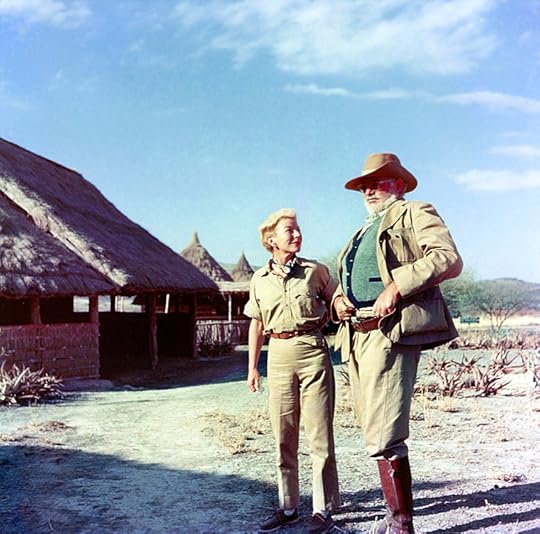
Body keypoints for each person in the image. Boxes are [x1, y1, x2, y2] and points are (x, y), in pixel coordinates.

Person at [332, 153, 462, 534]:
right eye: (364, 186)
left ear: (400, 184)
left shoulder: (414, 211)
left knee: (386, 432)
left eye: (379, 182)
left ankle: (403, 526)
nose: (369, 191)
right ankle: (393, 517)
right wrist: (339, 299)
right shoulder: (362, 230)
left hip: (390, 332)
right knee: (373, 429)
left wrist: (397, 286)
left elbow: (448, 258)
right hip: (356, 335)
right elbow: (351, 276)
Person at [244, 208, 340, 534]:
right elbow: (257, 324)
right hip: (278, 355)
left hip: (313, 352)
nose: (297, 234)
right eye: (290, 230)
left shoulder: (315, 271)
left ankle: (322, 510)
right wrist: (252, 368)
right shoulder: (259, 279)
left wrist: (340, 309)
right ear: (271, 240)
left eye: (298, 229)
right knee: (283, 435)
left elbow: (337, 299)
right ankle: (288, 506)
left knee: (319, 433)